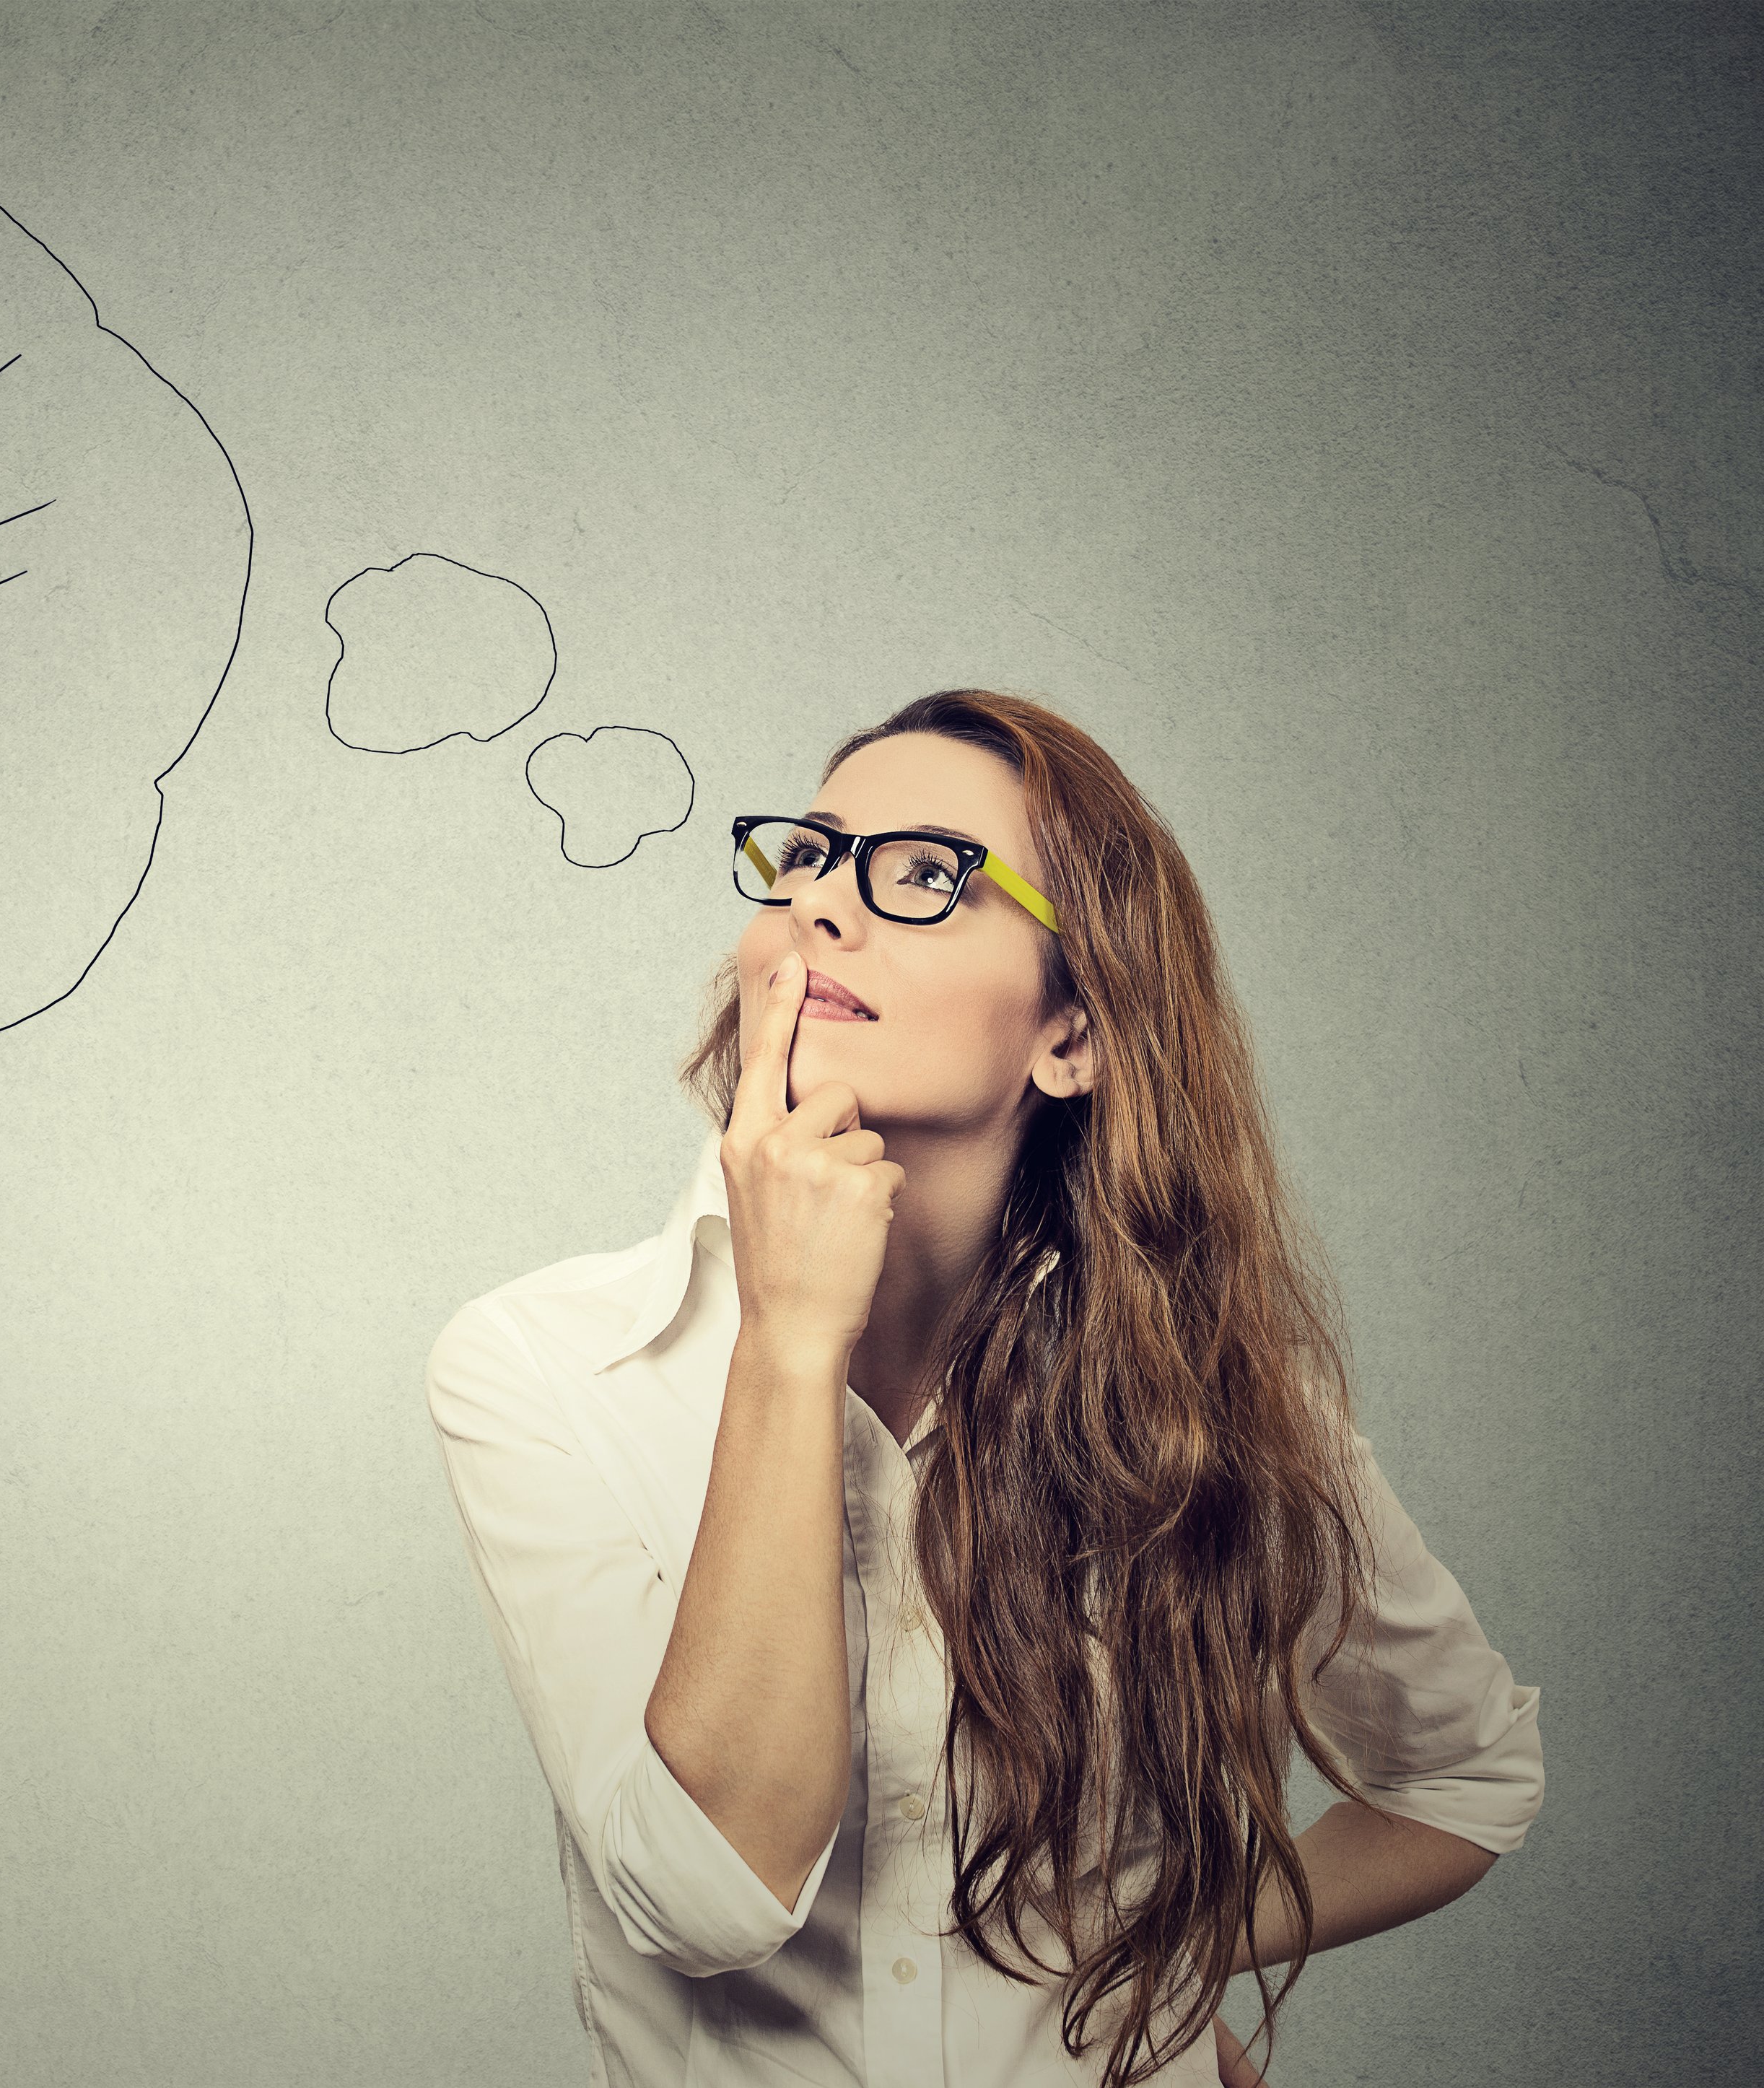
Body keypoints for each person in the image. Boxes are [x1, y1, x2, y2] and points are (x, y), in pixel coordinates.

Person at [424, 689, 1543, 2087]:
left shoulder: (1216, 1408)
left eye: (925, 875)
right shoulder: (544, 1366)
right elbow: (708, 1893)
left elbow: (1469, 1779)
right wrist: (788, 1339)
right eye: (812, 857)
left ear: (1068, 1033)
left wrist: (1159, 1956)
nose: (829, 904)